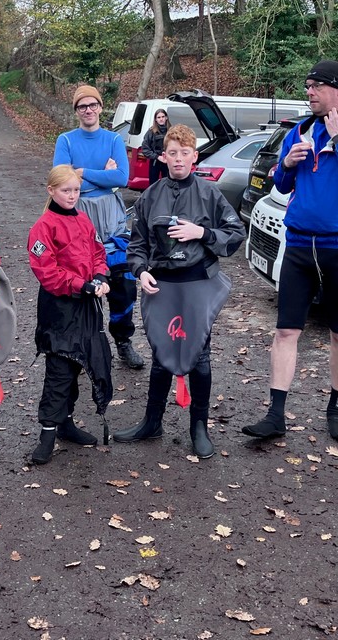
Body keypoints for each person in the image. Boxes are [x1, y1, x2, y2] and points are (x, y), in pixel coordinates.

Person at [242, 60, 338, 442]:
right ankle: (275, 414)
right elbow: (286, 186)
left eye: (316, 87)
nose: (309, 93)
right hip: (300, 246)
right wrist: (285, 165)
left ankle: (337, 407)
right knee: (286, 329)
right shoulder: (301, 130)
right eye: (307, 86)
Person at [113, 125, 246, 458]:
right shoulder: (150, 195)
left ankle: (198, 426)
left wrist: (200, 231)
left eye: (185, 153)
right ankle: (152, 421)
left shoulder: (209, 193)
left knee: (199, 352)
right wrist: (140, 271)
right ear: (163, 156)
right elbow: (138, 243)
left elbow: (235, 232)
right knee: (161, 351)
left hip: (198, 283)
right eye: (172, 152)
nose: (178, 159)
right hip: (163, 284)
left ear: (194, 156)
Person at [53, 84, 144, 369]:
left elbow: (123, 178)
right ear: (76, 111)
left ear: (101, 108)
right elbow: (61, 181)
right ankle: (79, 347)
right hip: (77, 217)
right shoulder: (66, 140)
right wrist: (103, 175)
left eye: (93, 105)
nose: (88, 110)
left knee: (122, 284)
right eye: (82, 106)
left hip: (112, 220)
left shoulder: (113, 139)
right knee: (80, 283)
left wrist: (82, 173)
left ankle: (123, 341)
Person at [27, 164, 114, 464]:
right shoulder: (44, 226)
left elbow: (97, 252)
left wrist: (101, 277)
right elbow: (47, 271)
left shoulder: (83, 219)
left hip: (87, 307)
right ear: (51, 190)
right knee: (60, 371)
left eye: (76, 190)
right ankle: (47, 434)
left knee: (81, 364)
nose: (72, 195)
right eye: (66, 190)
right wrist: (82, 286)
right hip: (60, 309)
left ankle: (65, 423)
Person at [140, 108, 170, 185]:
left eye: (163, 117)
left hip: (168, 161)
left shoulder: (171, 131)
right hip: (155, 161)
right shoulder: (151, 132)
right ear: (155, 119)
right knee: (153, 185)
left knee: (169, 184)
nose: (161, 119)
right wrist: (157, 156)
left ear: (166, 117)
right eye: (159, 117)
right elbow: (145, 148)